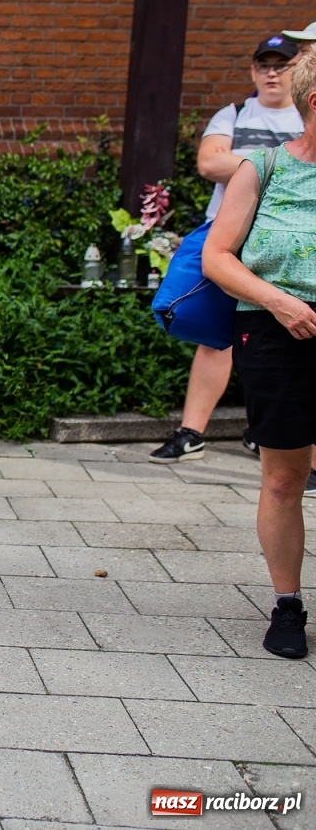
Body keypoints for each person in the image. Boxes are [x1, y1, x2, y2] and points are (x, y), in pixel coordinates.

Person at [202, 46, 316, 660]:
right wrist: (280, 302)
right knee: (283, 478)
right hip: (277, 333)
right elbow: (217, 257)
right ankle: (288, 605)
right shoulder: (264, 168)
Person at [152, 34, 307, 467]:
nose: (272, 73)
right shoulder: (235, 113)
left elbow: (226, 161)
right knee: (216, 338)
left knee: (282, 339)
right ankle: (191, 433)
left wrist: (240, 159)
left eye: (282, 64)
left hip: (287, 248)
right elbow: (208, 163)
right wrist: (274, 160)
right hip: (231, 240)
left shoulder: (307, 116)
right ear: (253, 70)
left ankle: (270, 436)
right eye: (264, 65)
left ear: (299, 70)